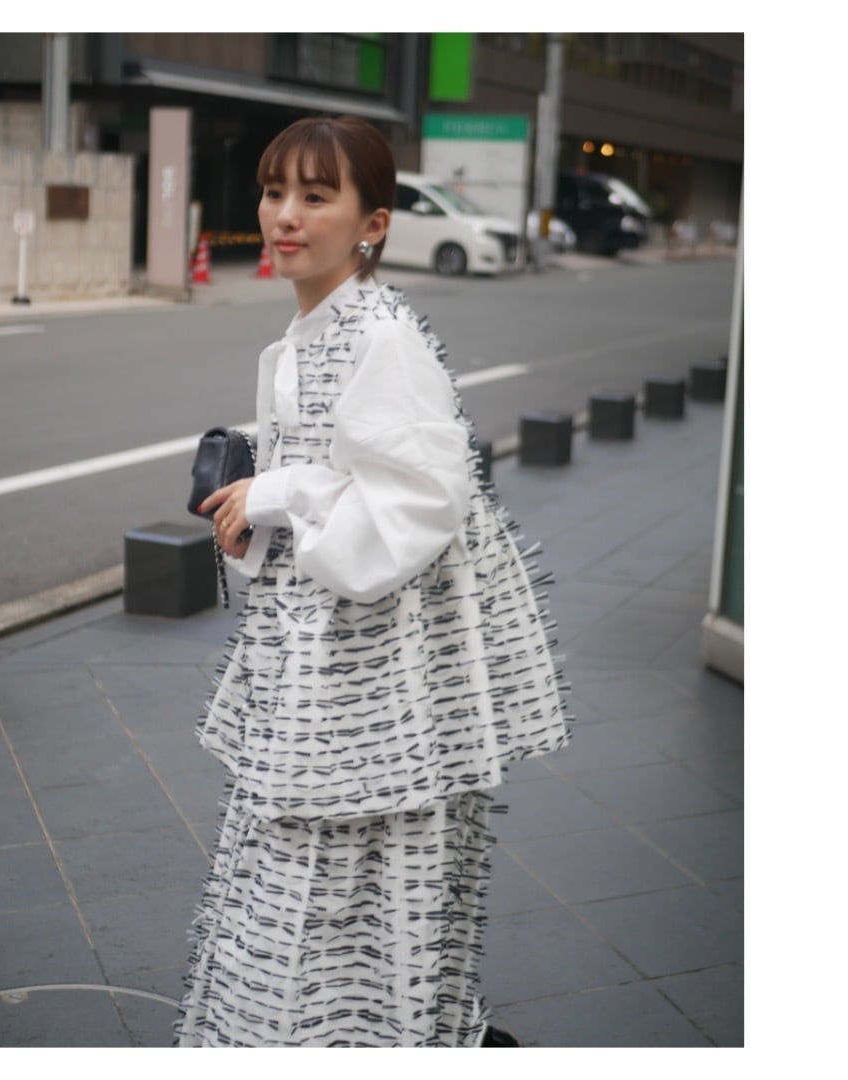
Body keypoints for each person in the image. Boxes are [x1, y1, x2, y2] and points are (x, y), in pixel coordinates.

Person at [173, 115, 571, 1048]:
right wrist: (263, 498)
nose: (284, 215)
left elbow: (422, 497)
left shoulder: (379, 335)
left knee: (344, 857)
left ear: (373, 224)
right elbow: (346, 473)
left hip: (374, 667)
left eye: (316, 197)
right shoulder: (324, 325)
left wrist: (279, 491)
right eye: (275, 192)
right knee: (332, 860)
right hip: (336, 649)